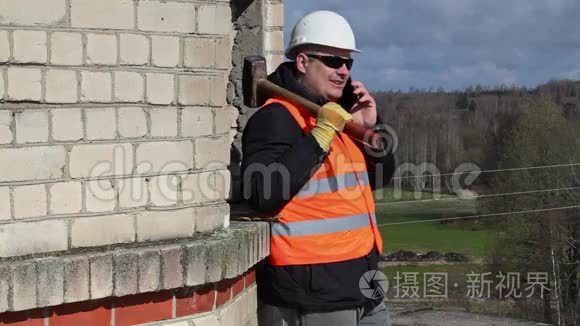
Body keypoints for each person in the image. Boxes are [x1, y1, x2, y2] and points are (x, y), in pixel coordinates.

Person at [241, 10, 396, 326]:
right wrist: (319, 136)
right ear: (302, 62)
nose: (343, 71)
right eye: (333, 61)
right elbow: (263, 194)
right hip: (313, 297)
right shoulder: (277, 119)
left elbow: (380, 179)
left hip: (364, 286)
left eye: (348, 63)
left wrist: (370, 129)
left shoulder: (338, 115)